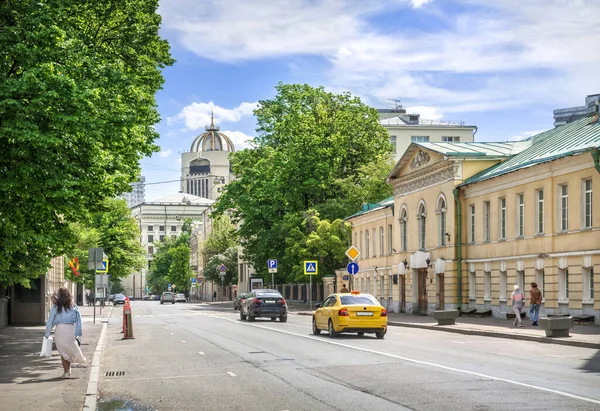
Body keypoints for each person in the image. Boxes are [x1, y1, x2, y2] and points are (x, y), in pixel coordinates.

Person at [44, 287, 86, 378]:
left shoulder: (56, 307)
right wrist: (78, 333)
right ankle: (68, 369)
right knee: (69, 349)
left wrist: (47, 333)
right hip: (71, 329)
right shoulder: (73, 306)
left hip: (59, 330)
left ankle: (66, 371)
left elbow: (50, 321)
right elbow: (79, 320)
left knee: (63, 351)